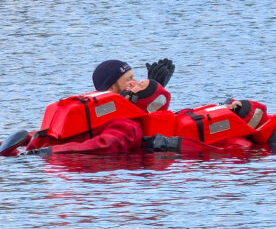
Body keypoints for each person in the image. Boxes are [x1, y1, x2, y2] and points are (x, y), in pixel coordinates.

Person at [0, 58, 177, 156]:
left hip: (39, 150)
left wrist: (155, 89)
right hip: (45, 155)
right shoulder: (125, 124)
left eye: (135, 79)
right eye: (129, 80)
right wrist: (46, 152)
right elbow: (102, 146)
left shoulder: (118, 117)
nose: (134, 82)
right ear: (111, 89)